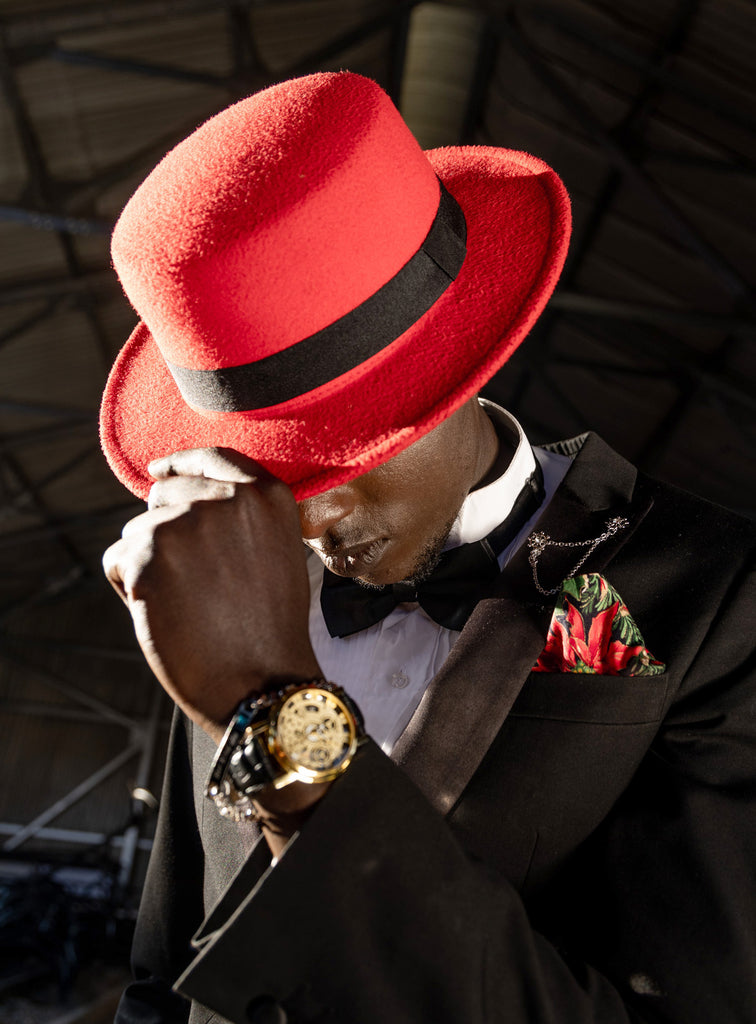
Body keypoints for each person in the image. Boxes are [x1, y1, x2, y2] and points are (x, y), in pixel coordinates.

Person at [101, 72, 756, 1024]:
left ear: (451, 360)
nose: (302, 522)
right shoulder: (227, 593)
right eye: (268, 474)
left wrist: (273, 709)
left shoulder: (717, 598)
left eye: (332, 455)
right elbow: (164, 973)